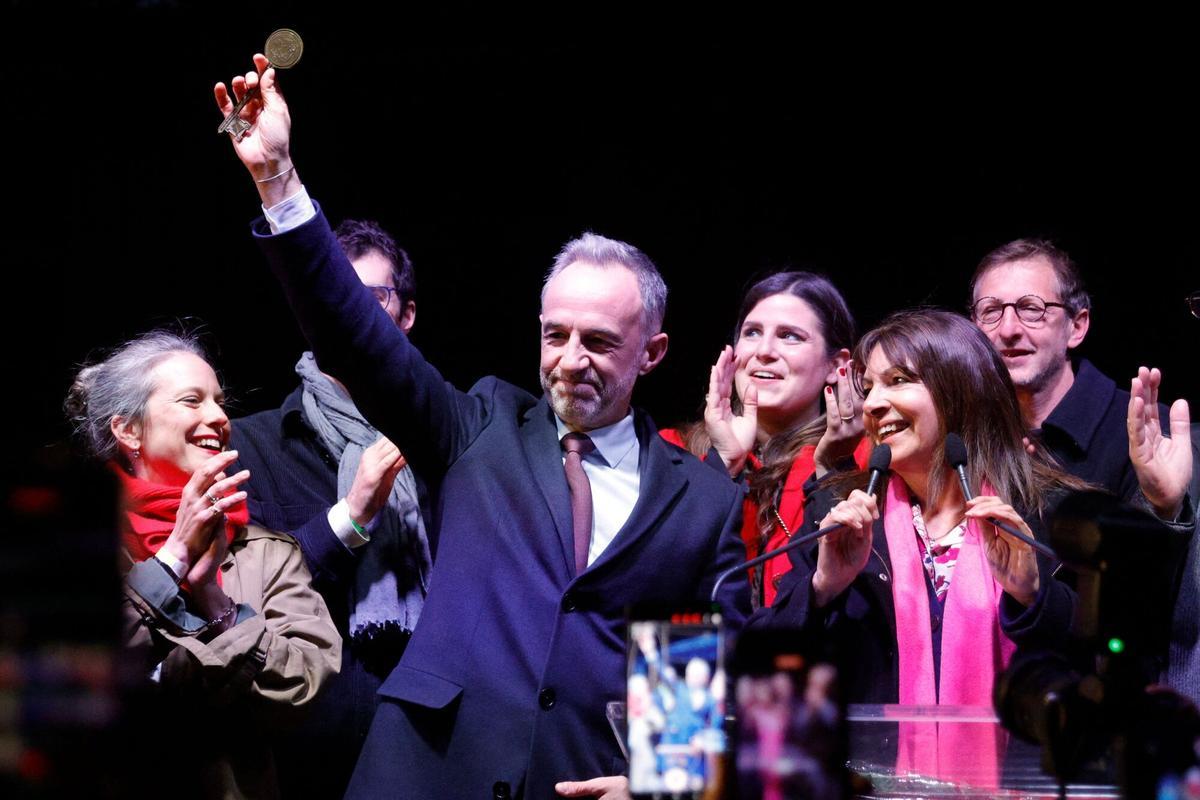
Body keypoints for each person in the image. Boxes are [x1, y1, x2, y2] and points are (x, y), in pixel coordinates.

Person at [214, 55, 749, 800]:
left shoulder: (702, 501)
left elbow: (695, 675)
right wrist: (278, 180)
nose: (569, 361)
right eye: (554, 334)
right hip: (424, 775)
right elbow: (358, 340)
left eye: (598, 342)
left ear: (652, 353)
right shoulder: (480, 425)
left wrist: (662, 785)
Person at [754, 309, 1098, 705]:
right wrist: (822, 590)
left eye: (898, 381)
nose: (873, 404)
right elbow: (763, 666)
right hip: (872, 764)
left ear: (961, 391)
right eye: (869, 387)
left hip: (1021, 764)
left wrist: (1035, 596)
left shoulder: (1054, 511)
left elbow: (1107, 665)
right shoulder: (837, 512)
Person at [64, 330, 340, 799]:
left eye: (218, 401)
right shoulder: (74, 544)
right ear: (128, 430)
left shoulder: (268, 554)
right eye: (192, 401)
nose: (218, 416)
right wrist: (170, 561)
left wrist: (213, 595)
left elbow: (302, 687)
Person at [230, 218, 432, 799]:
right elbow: (241, 605)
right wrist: (350, 517)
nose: (346, 310)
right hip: (311, 763)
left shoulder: (447, 440)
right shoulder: (253, 445)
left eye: (369, 297)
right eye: (330, 295)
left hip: (434, 755)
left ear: (406, 315)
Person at [663, 272, 870, 608]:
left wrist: (832, 474)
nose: (764, 351)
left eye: (790, 336)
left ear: (837, 365)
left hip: (805, 654)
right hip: (689, 653)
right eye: (752, 333)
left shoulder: (863, 462)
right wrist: (722, 465)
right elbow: (657, 581)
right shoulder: (672, 451)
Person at [968, 238, 1191, 519]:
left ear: (1076, 326)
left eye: (1030, 308)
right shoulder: (964, 433)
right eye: (990, 311)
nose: (1008, 329)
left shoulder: (1144, 430)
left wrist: (1164, 507)